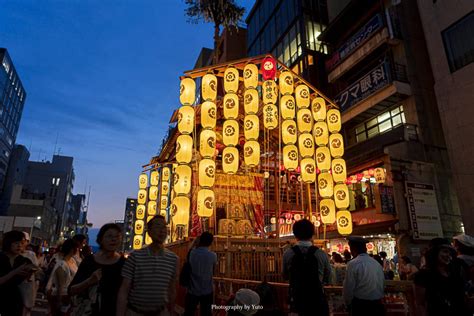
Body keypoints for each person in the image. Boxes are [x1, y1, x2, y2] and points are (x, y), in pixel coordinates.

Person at [117, 215, 179, 316]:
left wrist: (171, 312)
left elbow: (172, 290)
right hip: (135, 312)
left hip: (161, 312)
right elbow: (124, 289)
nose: (162, 230)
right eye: (158, 226)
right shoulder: (135, 256)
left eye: (164, 227)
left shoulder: (174, 259)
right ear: (149, 232)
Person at [69, 223, 125, 315]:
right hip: (88, 311)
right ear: (101, 239)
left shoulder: (124, 263)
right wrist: (90, 281)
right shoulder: (89, 261)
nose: (114, 239)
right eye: (109, 236)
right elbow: (71, 290)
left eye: (117, 236)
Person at [282, 219, 330, 316]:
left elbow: (285, 275)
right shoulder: (321, 254)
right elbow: (328, 276)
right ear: (312, 234)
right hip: (317, 300)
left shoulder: (288, 253)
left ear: (295, 234)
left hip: (296, 299)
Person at [414, 239, 469, 316]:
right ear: (434, 253)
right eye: (445, 251)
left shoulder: (455, 272)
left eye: (450, 253)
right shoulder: (424, 275)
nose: (448, 255)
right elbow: (420, 303)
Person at [343, 236, 385, 316]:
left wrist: (347, 303)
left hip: (361, 306)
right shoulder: (376, 263)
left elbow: (348, 287)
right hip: (378, 304)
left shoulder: (353, 264)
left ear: (353, 249)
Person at [0, 230, 37, 316]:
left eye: (22, 243)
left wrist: (31, 273)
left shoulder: (25, 261)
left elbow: (27, 284)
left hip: (16, 301)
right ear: (8, 243)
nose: (19, 245)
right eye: (16, 243)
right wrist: (16, 271)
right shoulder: (1, 258)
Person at [184, 231, 217, 316]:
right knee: (206, 313)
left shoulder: (192, 253)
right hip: (207, 289)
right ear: (211, 242)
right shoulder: (213, 255)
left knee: (189, 312)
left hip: (192, 289)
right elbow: (214, 270)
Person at [47, 239, 80, 316]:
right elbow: (60, 285)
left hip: (69, 296)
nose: (78, 250)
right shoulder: (62, 264)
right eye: (77, 248)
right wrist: (59, 301)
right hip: (62, 296)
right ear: (72, 249)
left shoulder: (72, 261)